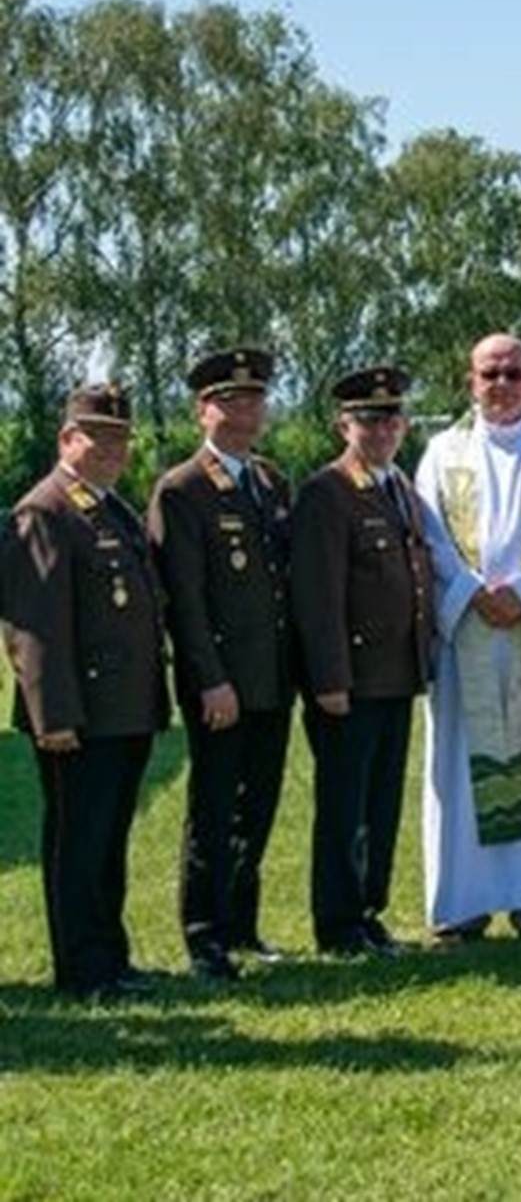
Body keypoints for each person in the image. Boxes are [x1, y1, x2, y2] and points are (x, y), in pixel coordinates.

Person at [413, 333, 521, 942]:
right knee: (460, 767)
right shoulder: (441, 452)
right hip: (467, 633)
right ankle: (461, 907)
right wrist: (469, 593)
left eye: (514, 373)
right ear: (471, 382)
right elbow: (427, 533)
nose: (502, 385)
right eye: (490, 374)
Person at [2, 385, 170, 1000]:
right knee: (79, 844)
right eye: (98, 436)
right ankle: (84, 969)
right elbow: (34, 628)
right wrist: (53, 716)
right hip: (81, 715)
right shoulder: (45, 511)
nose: (112, 449)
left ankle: (111, 956)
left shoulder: (108, 508)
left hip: (123, 709)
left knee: (107, 843)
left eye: (120, 438)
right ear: (67, 439)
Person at [148, 349, 295, 982]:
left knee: (256, 806)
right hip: (222, 683)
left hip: (272, 678)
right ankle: (204, 935)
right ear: (201, 410)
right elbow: (184, 599)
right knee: (212, 810)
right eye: (229, 400)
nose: (245, 410)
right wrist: (210, 679)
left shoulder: (268, 480)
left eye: (254, 398)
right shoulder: (181, 489)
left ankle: (241, 923)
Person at [290, 366, 435, 957]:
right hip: (348, 682)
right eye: (368, 420)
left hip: (395, 676)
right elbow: (317, 598)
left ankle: (368, 912)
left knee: (380, 804)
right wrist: (329, 680)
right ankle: (338, 922)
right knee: (345, 806)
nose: (381, 430)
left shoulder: (397, 484)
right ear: (343, 424)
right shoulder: (327, 493)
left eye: (391, 419)